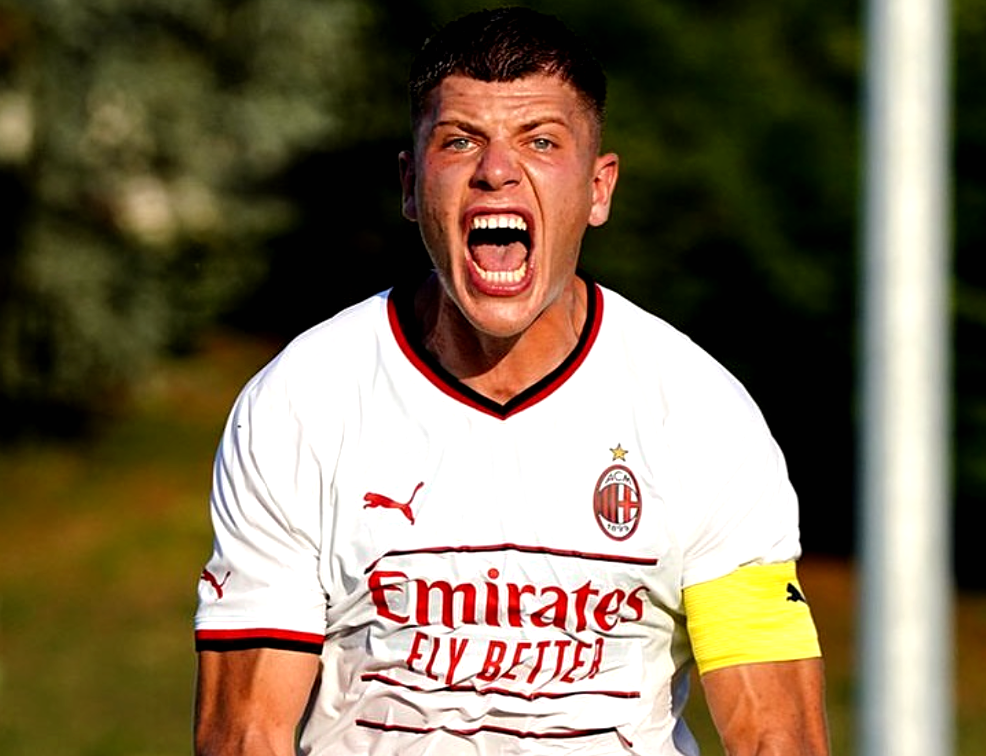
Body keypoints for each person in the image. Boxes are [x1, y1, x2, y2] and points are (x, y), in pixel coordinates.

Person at [193, 7, 829, 755]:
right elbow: (245, 732)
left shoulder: (698, 412)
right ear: (410, 185)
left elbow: (775, 734)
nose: (496, 170)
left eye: (541, 141)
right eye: (460, 140)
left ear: (599, 189)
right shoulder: (302, 402)